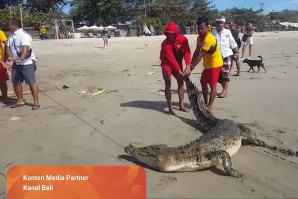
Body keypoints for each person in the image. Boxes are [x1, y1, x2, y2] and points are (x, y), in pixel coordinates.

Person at [185, 16, 223, 112]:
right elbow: (197, 51)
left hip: (215, 63)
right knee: (203, 82)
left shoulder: (209, 38)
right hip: (207, 64)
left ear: (207, 27)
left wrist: (191, 67)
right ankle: (205, 103)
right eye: (198, 28)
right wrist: (189, 65)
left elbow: (201, 54)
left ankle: (209, 106)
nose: (200, 30)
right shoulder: (199, 37)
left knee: (212, 84)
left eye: (202, 28)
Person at [7, 18, 40, 110]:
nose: (8, 26)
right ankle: (20, 100)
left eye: (9, 24)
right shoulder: (11, 36)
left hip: (27, 62)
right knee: (16, 81)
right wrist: (9, 57)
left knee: (31, 82)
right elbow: (8, 47)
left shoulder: (24, 35)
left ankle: (36, 101)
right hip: (16, 63)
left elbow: (26, 48)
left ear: (14, 25)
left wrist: (20, 59)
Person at [160, 22, 191, 115]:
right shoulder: (165, 45)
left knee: (181, 82)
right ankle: (169, 107)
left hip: (178, 61)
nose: (169, 36)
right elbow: (171, 59)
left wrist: (188, 65)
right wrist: (179, 70)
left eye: (171, 34)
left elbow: (187, 52)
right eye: (167, 34)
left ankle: (181, 105)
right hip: (166, 63)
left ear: (176, 33)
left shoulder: (183, 39)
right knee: (168, 82)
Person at [211, 16, 239, 98]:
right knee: (219, 75)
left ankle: (224, 91)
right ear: (215, 24)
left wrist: (236, 51)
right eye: (218, 23)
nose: (220, 24)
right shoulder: (212, 33)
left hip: (227, 55)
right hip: (216, 56)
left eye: (221, 23)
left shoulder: (227, 32)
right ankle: (224, 89)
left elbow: (232, 42)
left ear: (223, 24)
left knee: (225, 73)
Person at [0, 29, 9, 103]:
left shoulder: (0, 32)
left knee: (2, 80)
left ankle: (5, 97)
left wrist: (7, 55)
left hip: (0, 61)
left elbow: (6, 43)